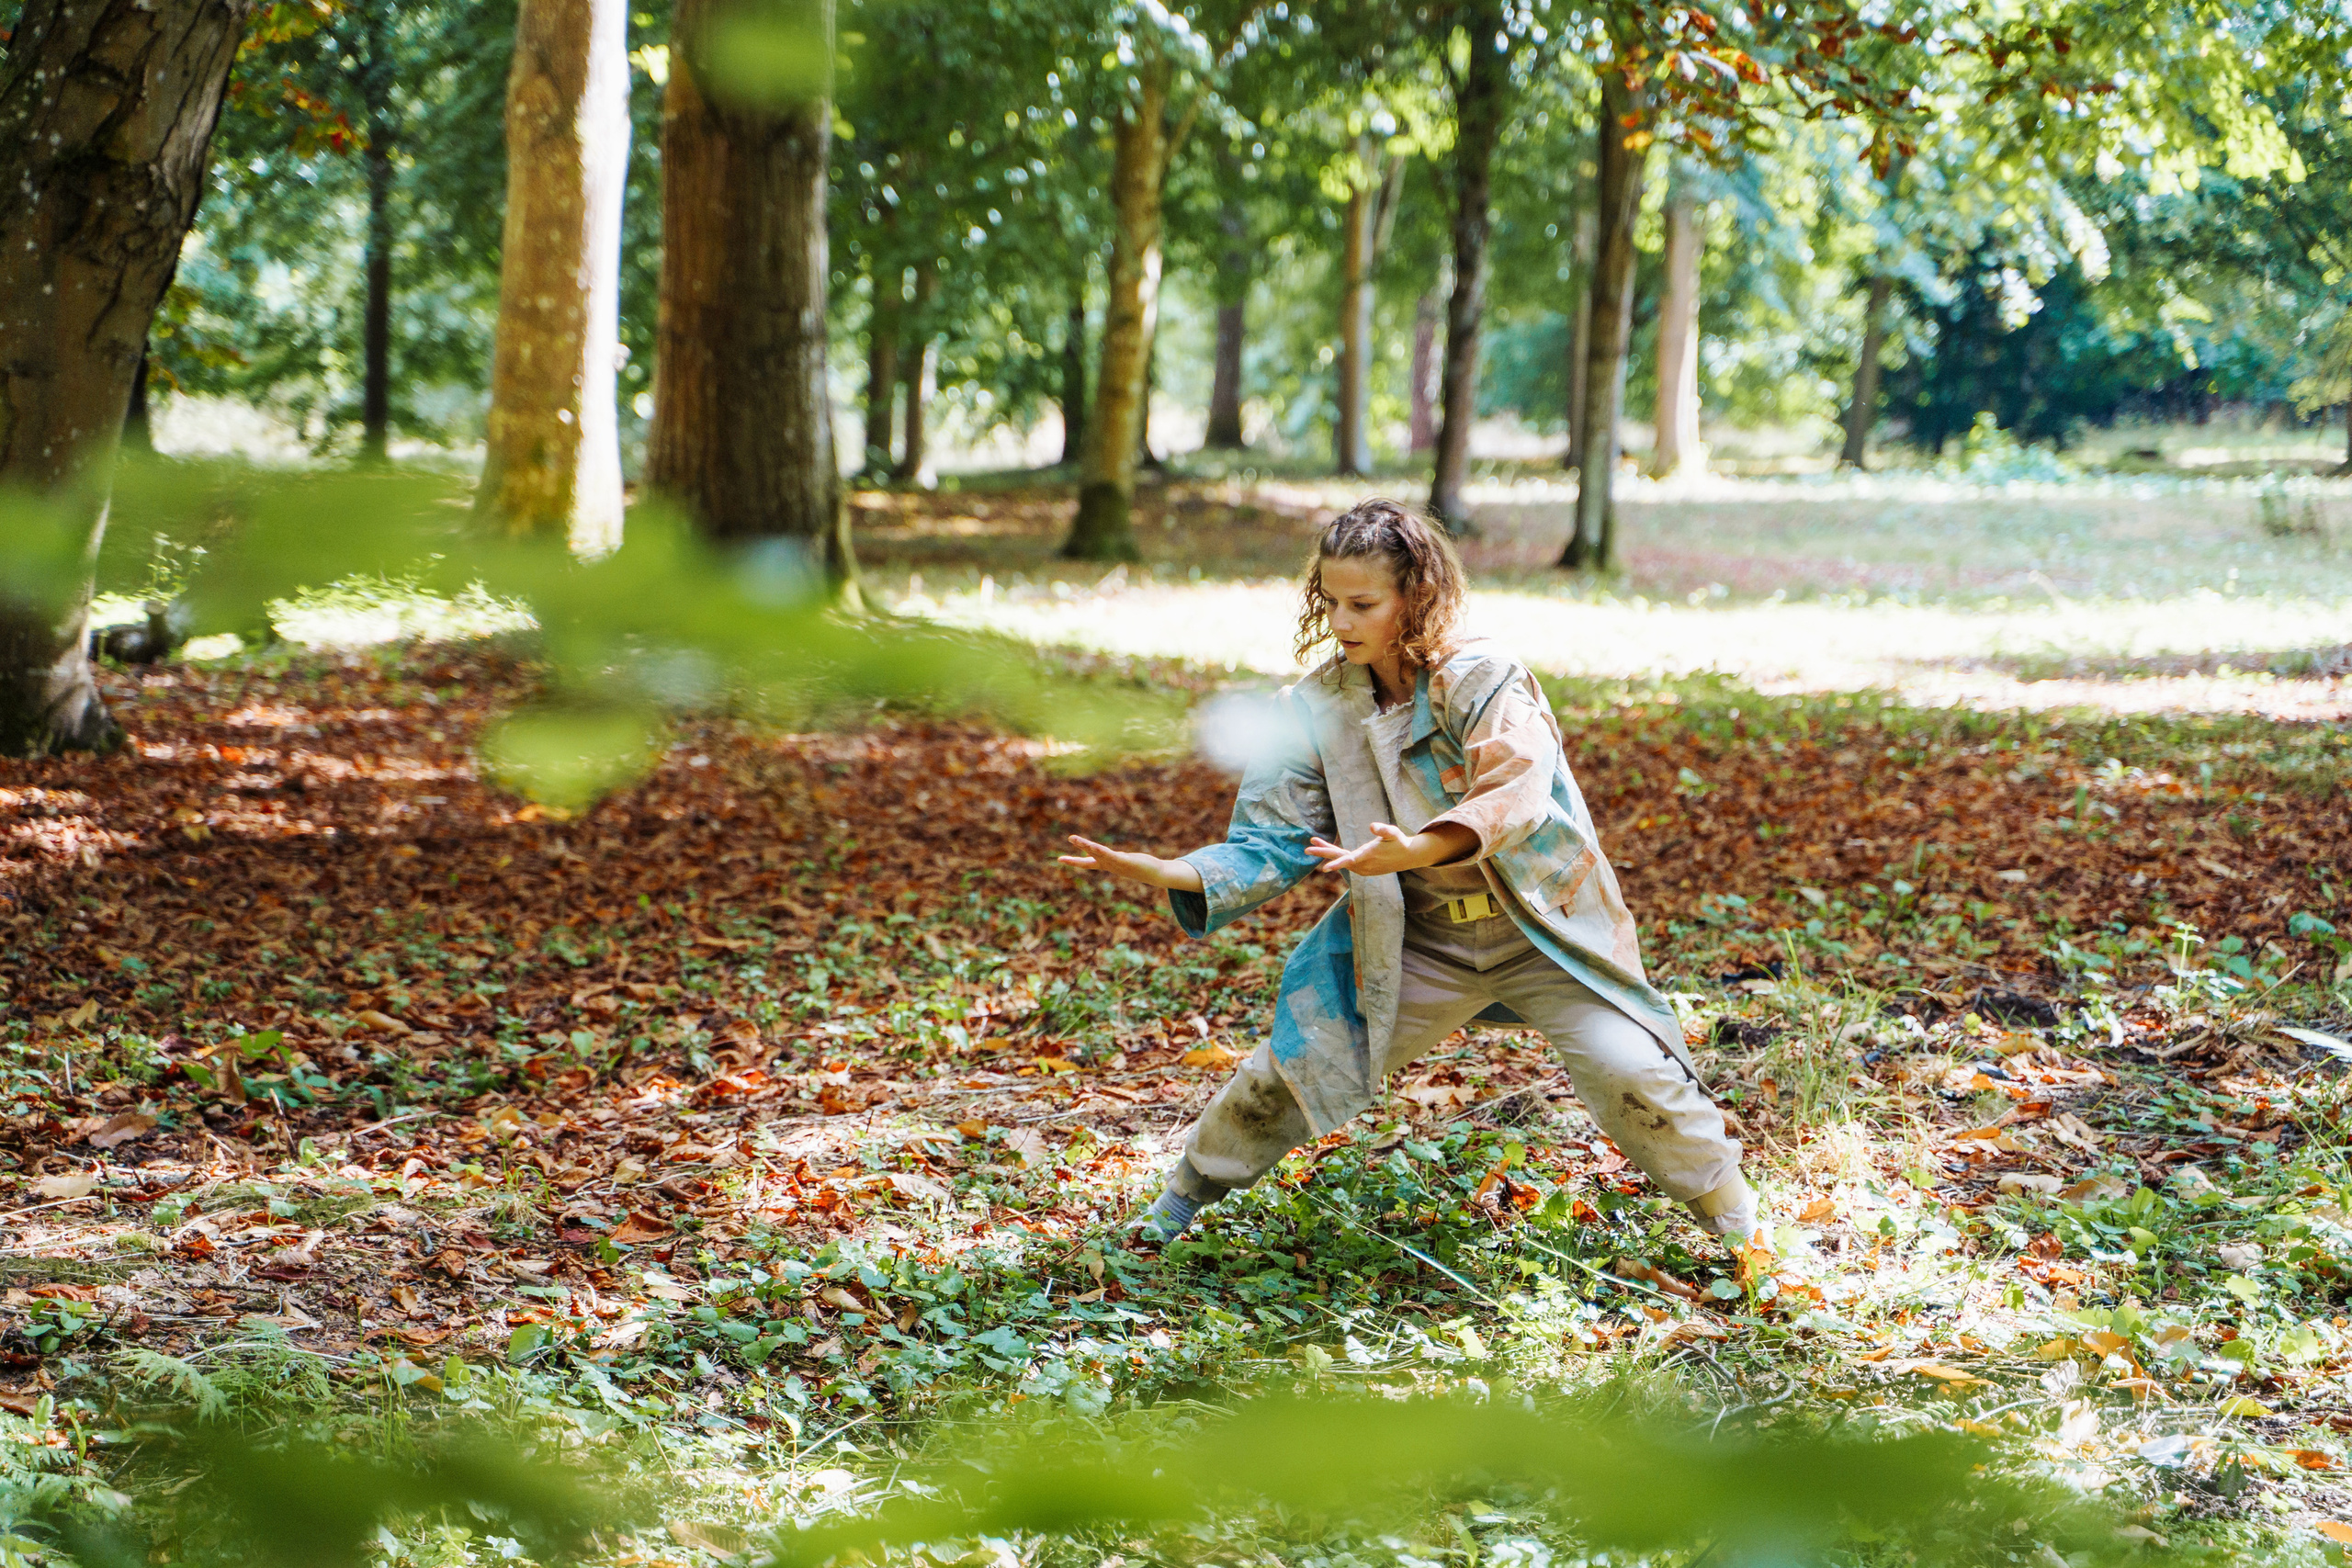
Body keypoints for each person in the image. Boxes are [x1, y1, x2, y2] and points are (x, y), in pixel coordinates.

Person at [1059, 498, 1758, 1247]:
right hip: (1415, 938)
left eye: (1363, 603)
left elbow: (1516, 789)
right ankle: (1180, 1202)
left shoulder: (1481, 677)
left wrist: (1420, 848)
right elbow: (1271, 837)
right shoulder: (1318, 703)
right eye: (1330, 601)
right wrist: (1178, 869)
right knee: (1290, 1067)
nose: (1342, 621)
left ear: (1416, 597)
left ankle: (1740, 1233)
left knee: (1635, 1076)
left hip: (1541, 932)